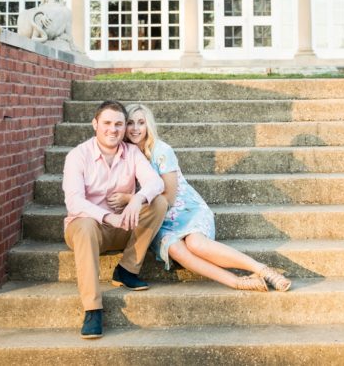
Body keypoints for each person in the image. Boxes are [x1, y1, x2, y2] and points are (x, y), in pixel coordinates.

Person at [108, 103, 292, 293]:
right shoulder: (124, 154)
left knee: (195, 244)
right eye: (130, 123)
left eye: (141, 123)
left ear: (149, 126)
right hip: (158, 220)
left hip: (185, 209)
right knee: (176, 249)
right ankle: (236, 282)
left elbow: (169, 198)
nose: (135, 129)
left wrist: (128, 199)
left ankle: (262, 270)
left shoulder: (161, 151)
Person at [62, 100, 169, 339]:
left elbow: (156, 183)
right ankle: (92, 309)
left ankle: (126, 269)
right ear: (95, 124)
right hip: (89, 231)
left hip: (123, 227)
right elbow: (74, 202)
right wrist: (108, 216)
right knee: (86, 224)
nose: (113, 129)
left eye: (119, 124)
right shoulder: (78, 156)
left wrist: (136, 198)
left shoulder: (131, 153)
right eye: (107, 123)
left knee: (158, 201)